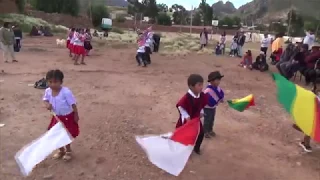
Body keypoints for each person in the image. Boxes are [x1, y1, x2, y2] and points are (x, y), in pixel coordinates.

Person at [43, 69, 80, 161]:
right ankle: (61, 150)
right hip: (56, 117)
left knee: (66, 135)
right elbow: (45, 99)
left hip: (67, 117)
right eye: (50, 82)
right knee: (56, 134)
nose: (52, 84)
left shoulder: (66, 92)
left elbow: (73, 104)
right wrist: (47, 105)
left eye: (55, 82)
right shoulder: (48, 91)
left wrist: (76, 114)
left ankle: (68, 151)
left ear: (61, 82)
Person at [176, 74, 208, 155]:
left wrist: (202, 112)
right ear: (191, 86)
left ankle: (196, 148)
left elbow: (201, 105)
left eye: (202, 85)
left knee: (201, 133)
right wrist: (187, 117)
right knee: (186, 135)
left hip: (196, 120)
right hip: (188, 121)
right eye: (199, 85)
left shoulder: (201, 95)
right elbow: (180, 107)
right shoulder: (186, 97)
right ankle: (184, 149)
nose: (201, 87)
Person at [203, 71, 224, 138]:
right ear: (211, 81)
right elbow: (210, 102)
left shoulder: (217, 88)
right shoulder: (207, 90)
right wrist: (218, 100)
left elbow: (221, 94)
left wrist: (221, 99)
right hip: (207, 108)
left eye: (219, 80)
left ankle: (210, 130)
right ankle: (205, 131)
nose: (218, 82)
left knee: (212, 119)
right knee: (207, 120)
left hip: (213, 107)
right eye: (217, 80)